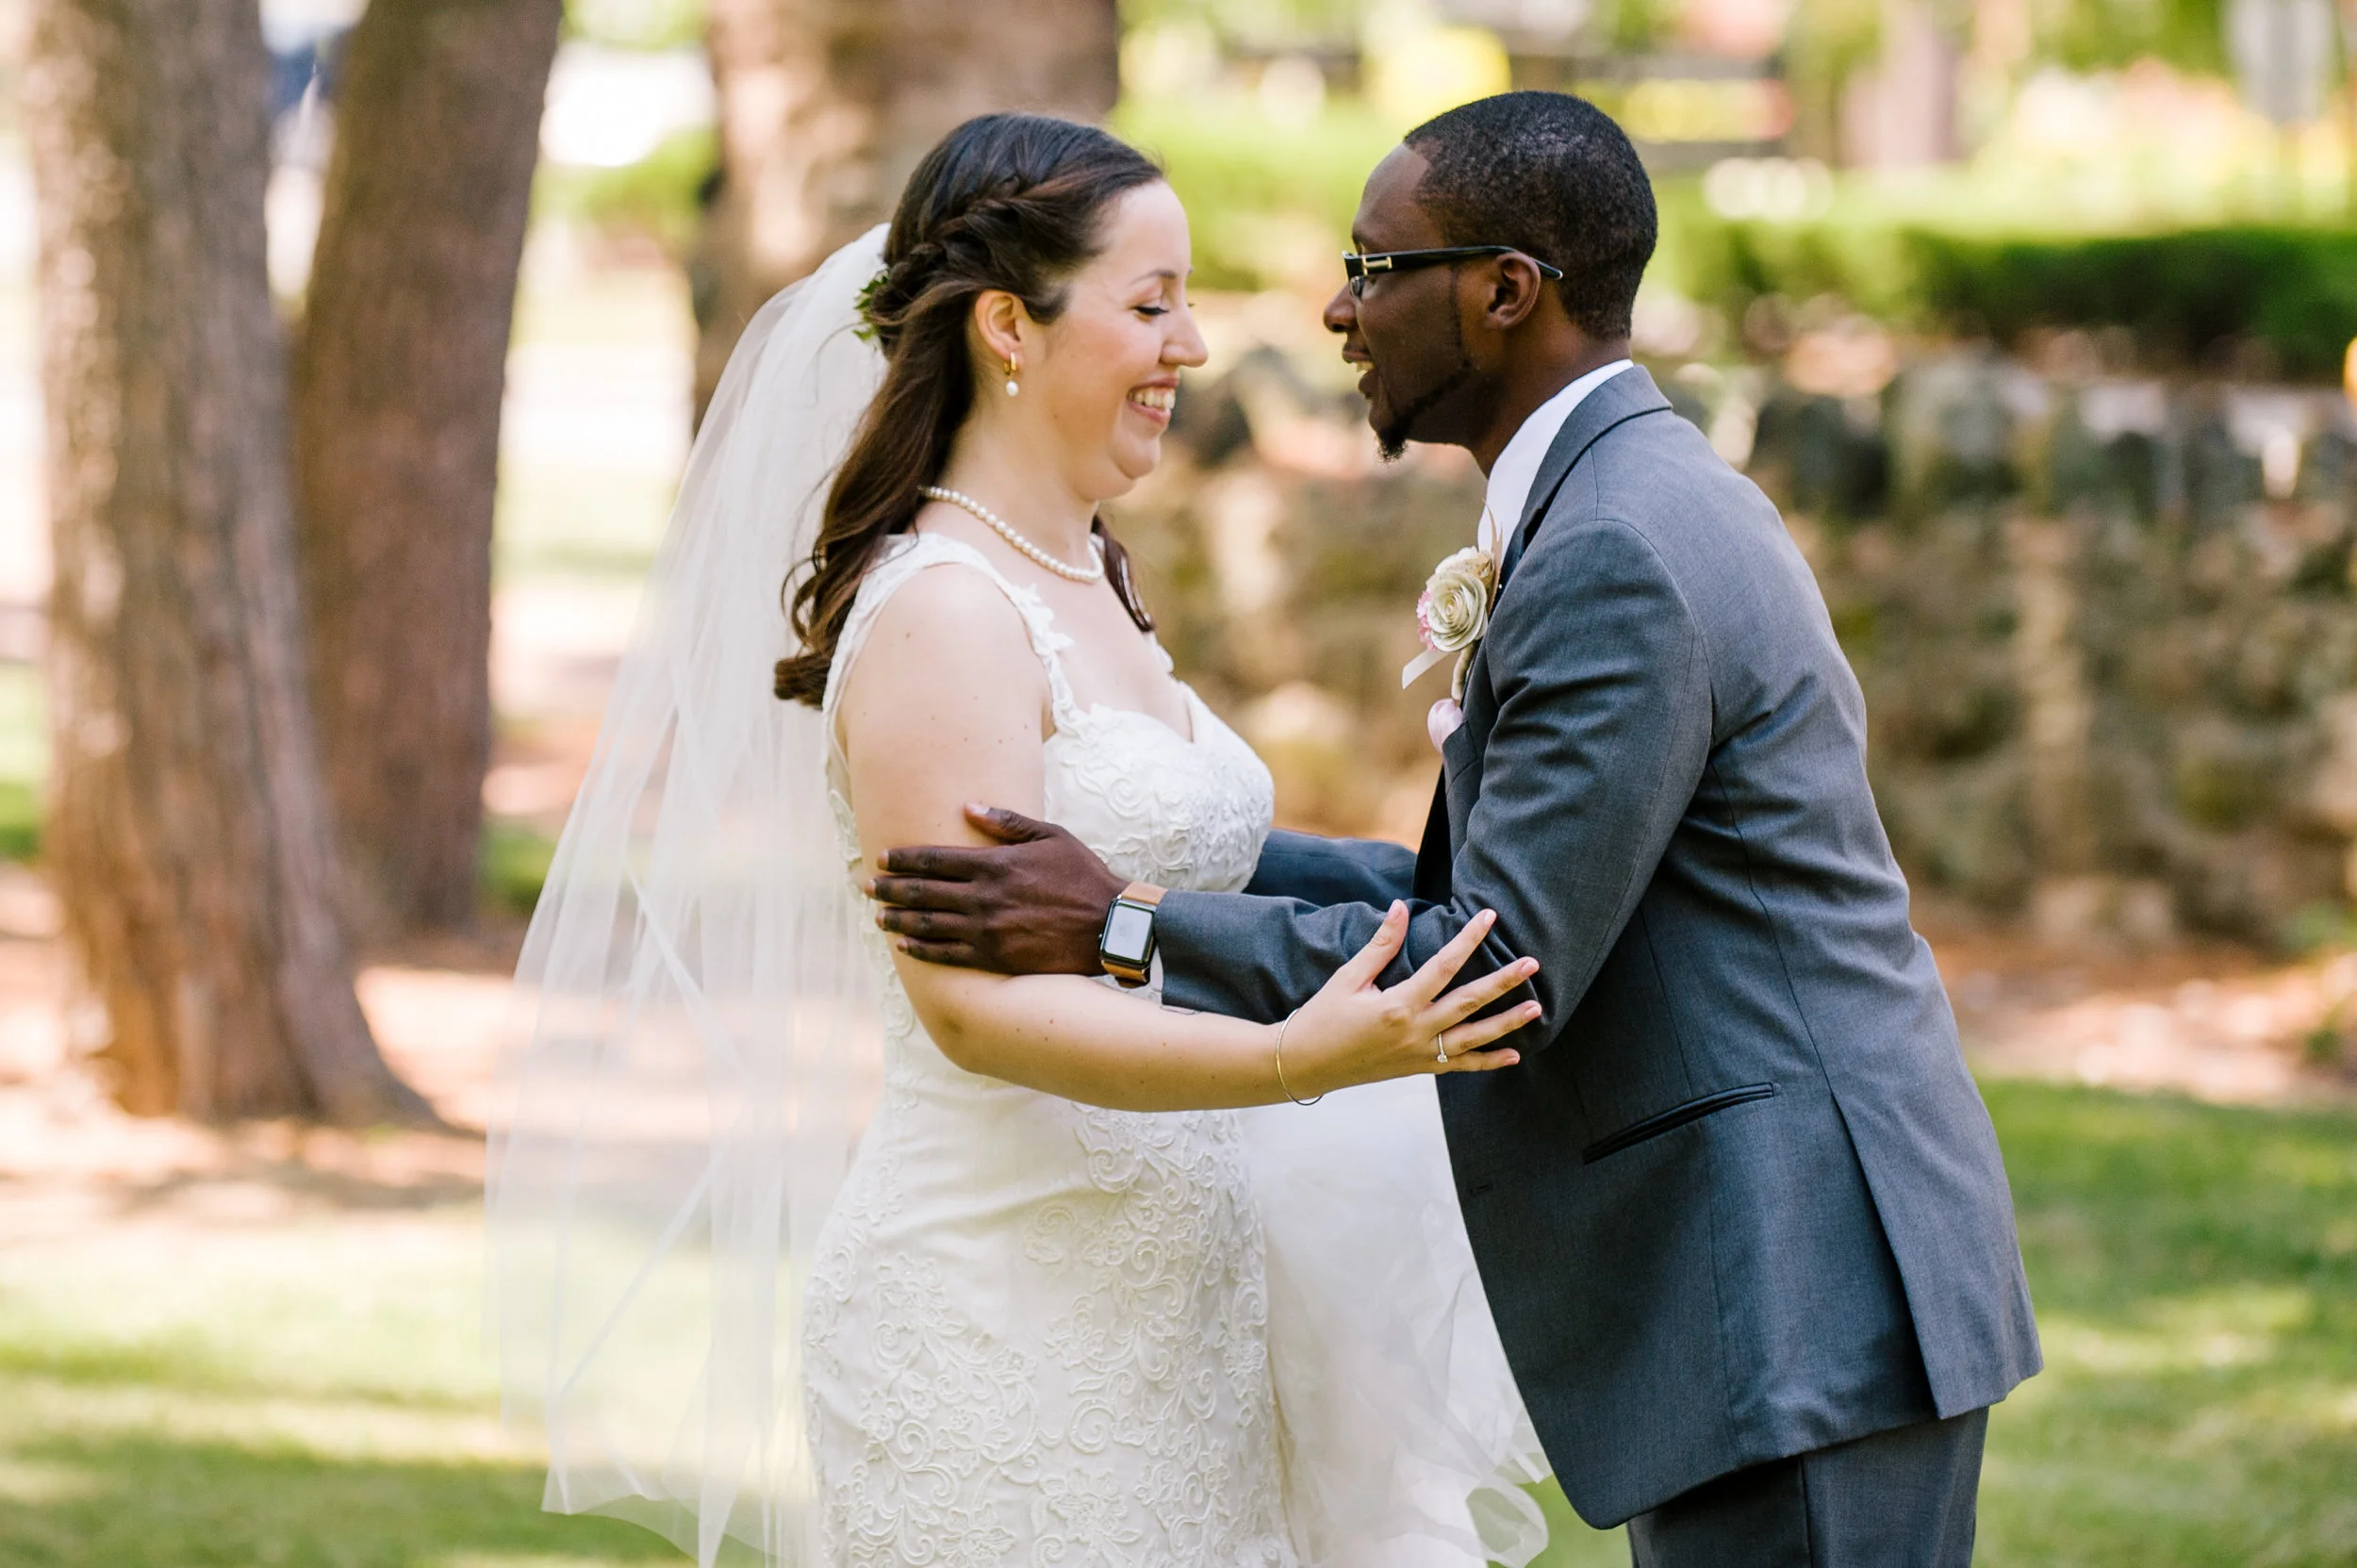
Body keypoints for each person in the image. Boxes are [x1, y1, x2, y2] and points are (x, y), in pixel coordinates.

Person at [870, 92, 2044, 1567]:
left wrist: (1122, 924)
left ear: (1502, 292)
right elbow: (1494, 884)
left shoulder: (1613, 544)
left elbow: (1498, 956)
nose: (1339, 310)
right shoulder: (1623, 496)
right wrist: (1180, 867)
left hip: (1792, 1274)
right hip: (1790, 1274)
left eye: (1375, 268)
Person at [487, 112, 1557, 1568]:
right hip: (998, 1318)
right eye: (1149, 303)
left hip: (1180, 1315)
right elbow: (979, 1010)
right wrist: (1307, 1055)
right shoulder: (943, 613)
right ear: (1008, 323)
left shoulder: (1087, 579)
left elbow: (1191, 860)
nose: (1190, 346)